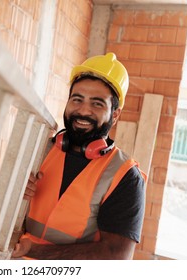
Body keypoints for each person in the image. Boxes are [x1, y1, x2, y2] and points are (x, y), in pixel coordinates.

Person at [12, 52, 146, 260]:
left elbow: (115, 256)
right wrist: (14, 193)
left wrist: (35, 250)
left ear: (115, 114)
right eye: (77, 99)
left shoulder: (125, 176)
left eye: (97, 103)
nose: (83, 111)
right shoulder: (40, 150)